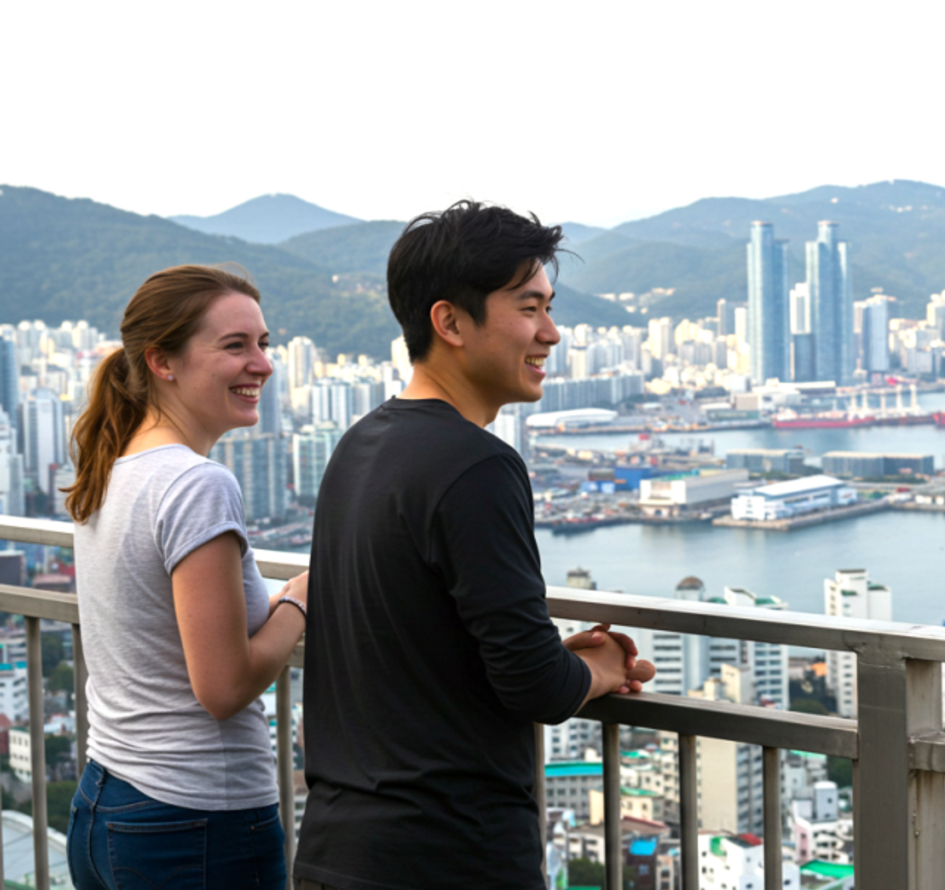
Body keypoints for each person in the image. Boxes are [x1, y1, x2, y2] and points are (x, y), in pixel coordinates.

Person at [294, 201, 654, 890]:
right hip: (451, 853)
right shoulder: (476, 465)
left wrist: (541, 651)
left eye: (549, 307)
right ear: (450, 321)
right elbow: (536, 685)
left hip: (337, 848)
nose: (550, 333)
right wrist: (604, 665)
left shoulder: (360, 445)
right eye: (529, 308)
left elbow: (418, 637)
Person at [64, 264, 310, 889]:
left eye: (264, 344)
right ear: (162, 362)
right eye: (235, 346)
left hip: (105, 803)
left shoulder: (115, 469)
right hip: (195, 822)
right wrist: (300, 603)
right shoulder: (196, 483)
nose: (263, 364)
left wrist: (270, 604)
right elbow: (223, 688)